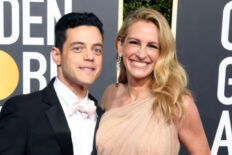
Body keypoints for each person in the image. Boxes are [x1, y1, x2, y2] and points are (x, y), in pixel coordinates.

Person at [96, 8, 211, 155]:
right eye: (134, 42)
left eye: (152, 46)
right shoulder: (111, 93)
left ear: (162, 53)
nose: (141, 54)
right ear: (120, 45)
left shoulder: (177, 103)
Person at [0, 12, 104, 155]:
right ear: (57, 55)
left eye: (97, 50)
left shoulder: (104, 118)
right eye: (78, 48)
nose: (90, 57)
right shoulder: (23, 110)